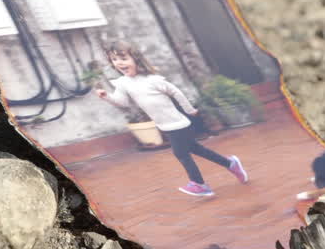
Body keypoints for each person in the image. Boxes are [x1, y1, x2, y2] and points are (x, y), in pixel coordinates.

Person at [96, 41, 249, 197]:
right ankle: (231, 164)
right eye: (114, 60)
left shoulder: (152, 79)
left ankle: (199, 184)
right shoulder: (123, 83)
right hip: (165, 125)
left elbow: (176, 92)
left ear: (136, 58)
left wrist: (190, 109)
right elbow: (123, 103)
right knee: (196, 149)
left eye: (123, 58)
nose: (119, 63)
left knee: (181, 153)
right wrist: (107, 97)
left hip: (178, 123)